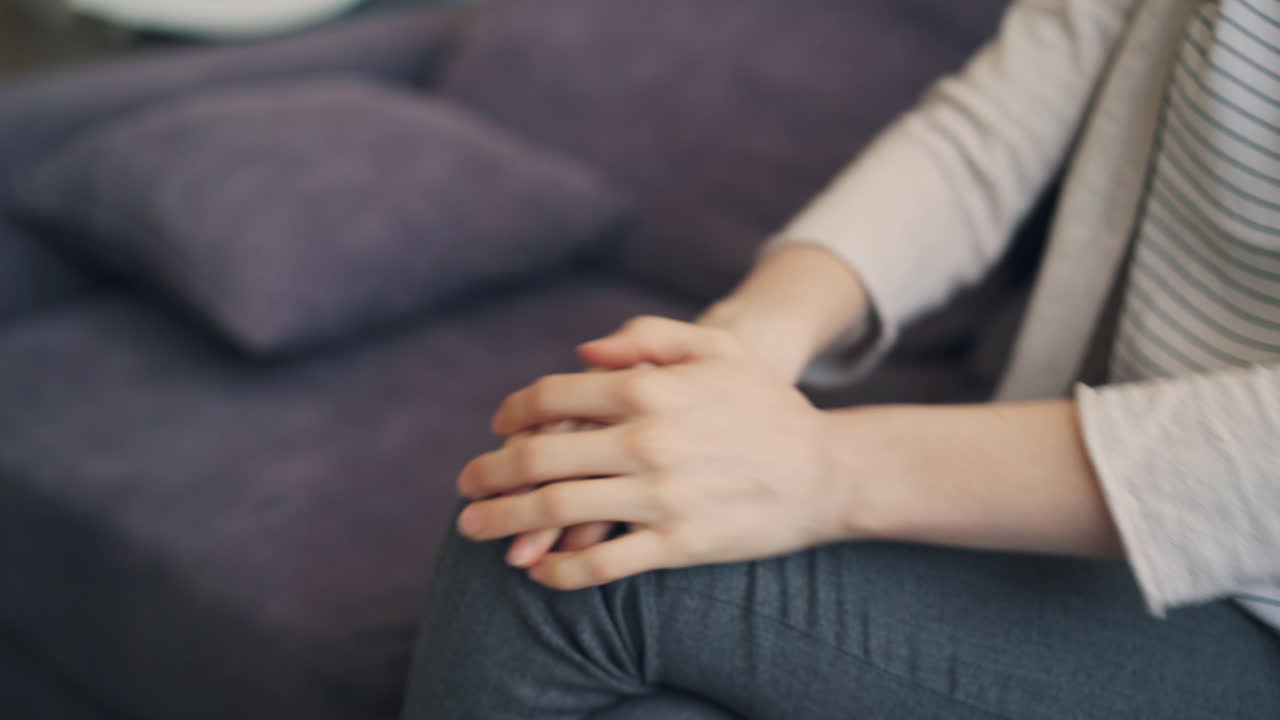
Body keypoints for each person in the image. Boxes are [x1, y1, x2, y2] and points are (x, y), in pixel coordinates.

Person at [402, 1, 1280, 717]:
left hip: (1251, 606)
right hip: (1085, 514)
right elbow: (991, 135)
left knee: (557, 567)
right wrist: (740, 348)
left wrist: (821, 469)